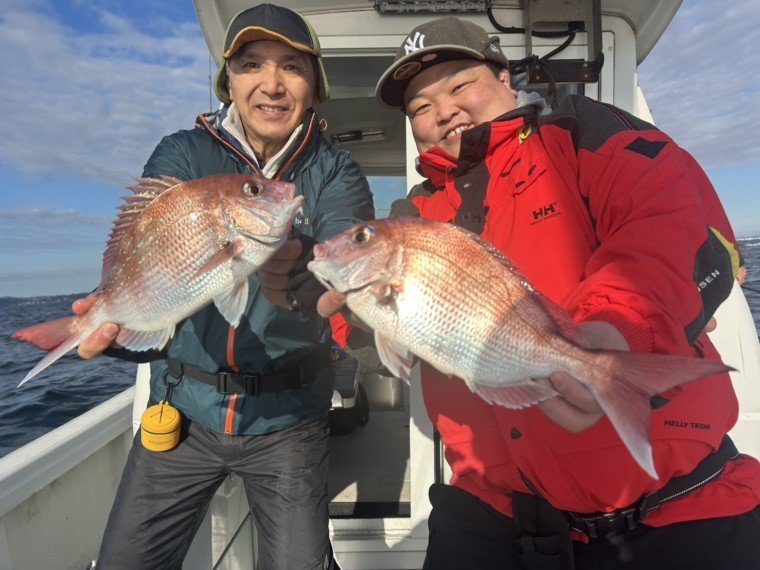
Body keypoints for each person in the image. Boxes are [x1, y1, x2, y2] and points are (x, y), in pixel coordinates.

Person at [319, 16, 760, 569]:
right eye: (421, 108)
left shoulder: (581, 133)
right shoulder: (416, 214)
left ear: (505, 77)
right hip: (491, 516)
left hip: (672, 512)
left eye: (459, 85)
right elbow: (386, 329)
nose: (444, 112)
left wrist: (616, 329)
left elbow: (674, 224)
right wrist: (338, 308)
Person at [75, 4, 373, 569]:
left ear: (315, 86)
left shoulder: (335, 170)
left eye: (292, 67)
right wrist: (119, 326)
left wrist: (296, 274)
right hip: (184, 408)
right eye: (251, 64)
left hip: (288, 420)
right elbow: (149, 252)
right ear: (228, 82)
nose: (272, 84)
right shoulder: (182, 152)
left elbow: (342, 260)